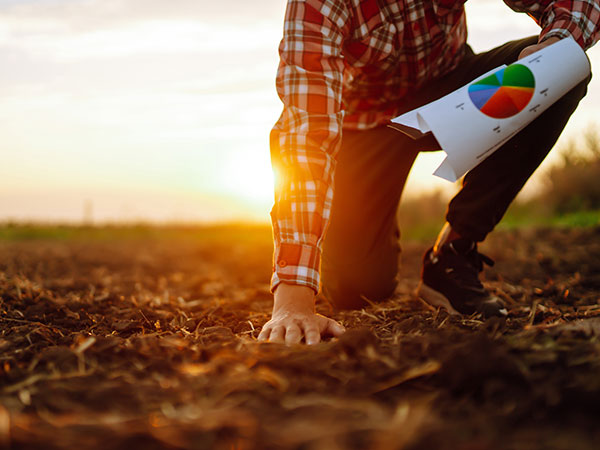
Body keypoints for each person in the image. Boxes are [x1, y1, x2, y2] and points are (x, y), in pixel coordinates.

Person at [258, 0, 600, 345]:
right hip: (366, 124)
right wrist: (293, 293)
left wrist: (558, 42)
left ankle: (452, 254)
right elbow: (306, 136)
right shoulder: (317, 5)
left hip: (455, 89)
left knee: (564, 67)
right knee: (359, 287)